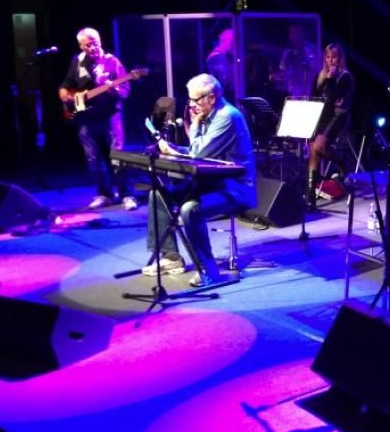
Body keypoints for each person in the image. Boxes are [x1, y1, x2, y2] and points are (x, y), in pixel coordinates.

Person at [143, 73, 256, 287]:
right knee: (158, 195)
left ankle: (208, 269)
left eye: (195, 100)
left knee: (190, 210)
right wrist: (175, 149)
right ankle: (171, 257)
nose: (192, 105)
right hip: (212, 183)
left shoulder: (227, 116)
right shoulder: (208, 115)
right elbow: (200, 152)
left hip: (234, 190)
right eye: (190, 100)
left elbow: (199, 152)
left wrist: (194, 125)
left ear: (211, 98)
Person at [59, 27, 138, 211]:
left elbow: (125, 91)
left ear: (100, 41)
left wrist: (113, 89)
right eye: (87, 45)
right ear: (81, 46)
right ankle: (104, 194)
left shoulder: (112, 62)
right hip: (86, 118)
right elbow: (67, 84)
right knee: (93, 159)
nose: (92, 47)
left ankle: (126, 194)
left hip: (110, 117)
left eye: (94, 43)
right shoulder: (77, 61)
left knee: (119, 156)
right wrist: (64, 94)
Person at [306, 43, 355, 206]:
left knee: (319, 147)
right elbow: (315, 97)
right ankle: (310, 197)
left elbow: (335, 99)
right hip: (321, 116)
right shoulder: (319, 76)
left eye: (334, 57)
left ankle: (342, 163)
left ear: (340, 58)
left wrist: (331, 79)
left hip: (337, 117)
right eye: (327, 57)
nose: (331, 60)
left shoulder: (345, 77)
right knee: (313, 152)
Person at [278, 24, 320, 99]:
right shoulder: (287, 52)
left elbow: (315, 69)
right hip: (291, 91)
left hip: (308, 91)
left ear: (303, 34)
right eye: (292, 33)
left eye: (297, 33)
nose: (294, 36)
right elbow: (282, 69)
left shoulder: (311, 50)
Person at [205, 27, 236, 102]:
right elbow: (224, 80)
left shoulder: (224, 56)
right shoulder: (218, 57)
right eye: (232, 42)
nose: (233, 46)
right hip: (223, 97)